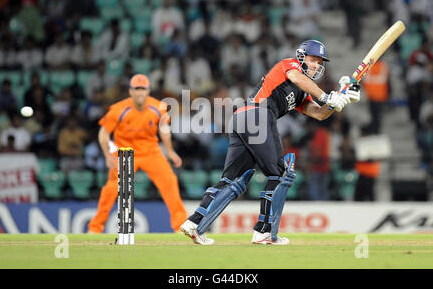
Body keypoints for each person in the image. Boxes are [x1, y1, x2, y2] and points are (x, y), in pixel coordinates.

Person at [180, 39, 361, 245]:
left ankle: (194, 222)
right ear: (301, 57)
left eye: (320, 63)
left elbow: (319, 114)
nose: (316, 66)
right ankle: (263, 231)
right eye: (313, 60)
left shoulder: (303, 91)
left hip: (243, 119)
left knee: (233, 179)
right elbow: (297, 78)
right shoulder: (289, 65)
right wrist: (327, 95)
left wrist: (341, 99)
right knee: (279, 174)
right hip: (258, 115)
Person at [88, 74, 187, 233]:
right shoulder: (119, 109)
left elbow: (164, 131)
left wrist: (170, 152)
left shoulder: (158, 107)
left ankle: (180, 225)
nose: (140, 92)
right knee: (111, 189)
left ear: (148, 91)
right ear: (130, 91)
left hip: (150, 151)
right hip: (124, 152)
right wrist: (108, 155)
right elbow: (103, 134)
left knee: (169, 182)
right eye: (136, 89)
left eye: (143, 88)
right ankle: (95, 228)